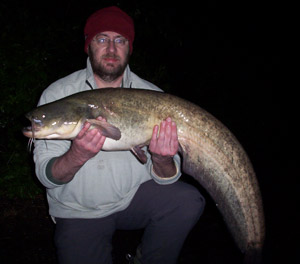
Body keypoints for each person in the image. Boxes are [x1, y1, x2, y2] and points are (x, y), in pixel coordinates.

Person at [33, 6, 205, 264]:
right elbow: (46, 176)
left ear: (129, 48)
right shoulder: (59, 94)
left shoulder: (153, 97)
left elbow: (169, 178)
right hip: (80, 210)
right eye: (102, 39)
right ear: (88, 46)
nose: (111, 49)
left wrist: (162, 160)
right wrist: (77, 155)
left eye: (120, 40)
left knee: (186, 201)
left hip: (132, 198)